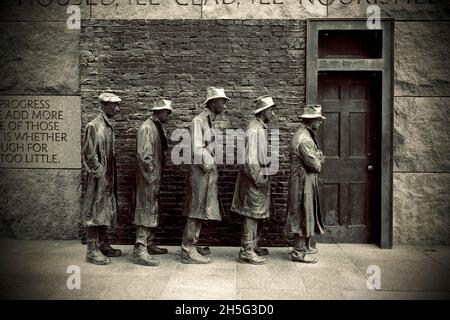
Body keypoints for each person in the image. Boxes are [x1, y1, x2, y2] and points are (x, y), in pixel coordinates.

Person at [180, 86, 229, 264]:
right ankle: (187, 249)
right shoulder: (198, 121)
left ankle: (193, 243)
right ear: (213, 102)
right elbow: (197, 148)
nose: (224, 105)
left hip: (206, 174)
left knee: (201, 211)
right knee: (195, 210)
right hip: (200, 174)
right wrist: (210, 165)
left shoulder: (209, 121)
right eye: (222, 101)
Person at [231, 95, 276, 265]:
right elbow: (249, 161)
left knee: (256, 214)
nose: (273, 113)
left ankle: (253, 245)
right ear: (263, 111)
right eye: (271, 110)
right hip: (253, 182)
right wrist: (259, 179)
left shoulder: (260, 128)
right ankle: (246, 251)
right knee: (251, 215)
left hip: (257, 180)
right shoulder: (254, 129)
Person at [81, 92, 122, 265]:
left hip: (108, 176)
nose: (117, 109)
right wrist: (99, 172)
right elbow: (89, 153)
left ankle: (103, 243)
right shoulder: (94, 125)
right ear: (104, 105)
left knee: (104, 209)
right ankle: (91, 250)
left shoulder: (107, 126)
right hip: (99, 178)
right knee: (94, 211)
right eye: (114, 105)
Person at [132, 98, 174, 266]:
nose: (169, 115)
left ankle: (149, 243)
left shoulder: (156, 127)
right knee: (145, 209)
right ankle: (140, 248)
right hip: (148, 178)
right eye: (167, 112)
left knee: (152, 208)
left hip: (153, 177)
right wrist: (153, 175)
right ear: (157, 112)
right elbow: (144, 156)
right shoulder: (147, 128)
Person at [285, 104, 326, 264]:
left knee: (306, 213)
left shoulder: (305, 135)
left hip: (304, 181)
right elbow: (315, 165)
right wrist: (320, 158)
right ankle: (299, 251)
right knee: (302, 213)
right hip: (302, 184)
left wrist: (317, 157)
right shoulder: (305, 139)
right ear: (311, 120)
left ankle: (305, 246)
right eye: (318, 120)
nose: (320, 122)